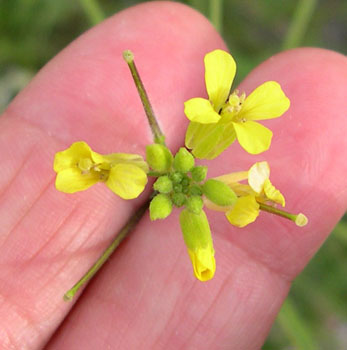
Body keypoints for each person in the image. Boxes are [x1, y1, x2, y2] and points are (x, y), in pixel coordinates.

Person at [0, 2, 346, 349]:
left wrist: (224, 124)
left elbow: (189, 157)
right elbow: (178, 151)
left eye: (233, 108)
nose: (233, 106)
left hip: (182, 164)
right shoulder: (161, 167)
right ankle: (99, 167)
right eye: (230, 109)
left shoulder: (196, 170)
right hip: (170, 162)